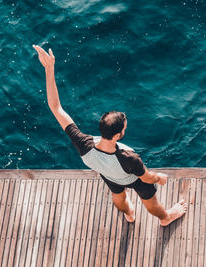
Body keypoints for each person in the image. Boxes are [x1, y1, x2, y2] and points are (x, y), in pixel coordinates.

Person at [33, 45, 187, 226]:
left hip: (110, 176)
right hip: (132, 178)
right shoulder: (129, 158)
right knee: (151, 203)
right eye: (124, 129)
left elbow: (56, 108)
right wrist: (158, 178)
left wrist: (49, 70)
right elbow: (145, 178)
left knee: (119, 197)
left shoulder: (84, 144)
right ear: (116, 136)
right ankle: (165, 218)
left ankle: (129, 213)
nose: (125, 130)